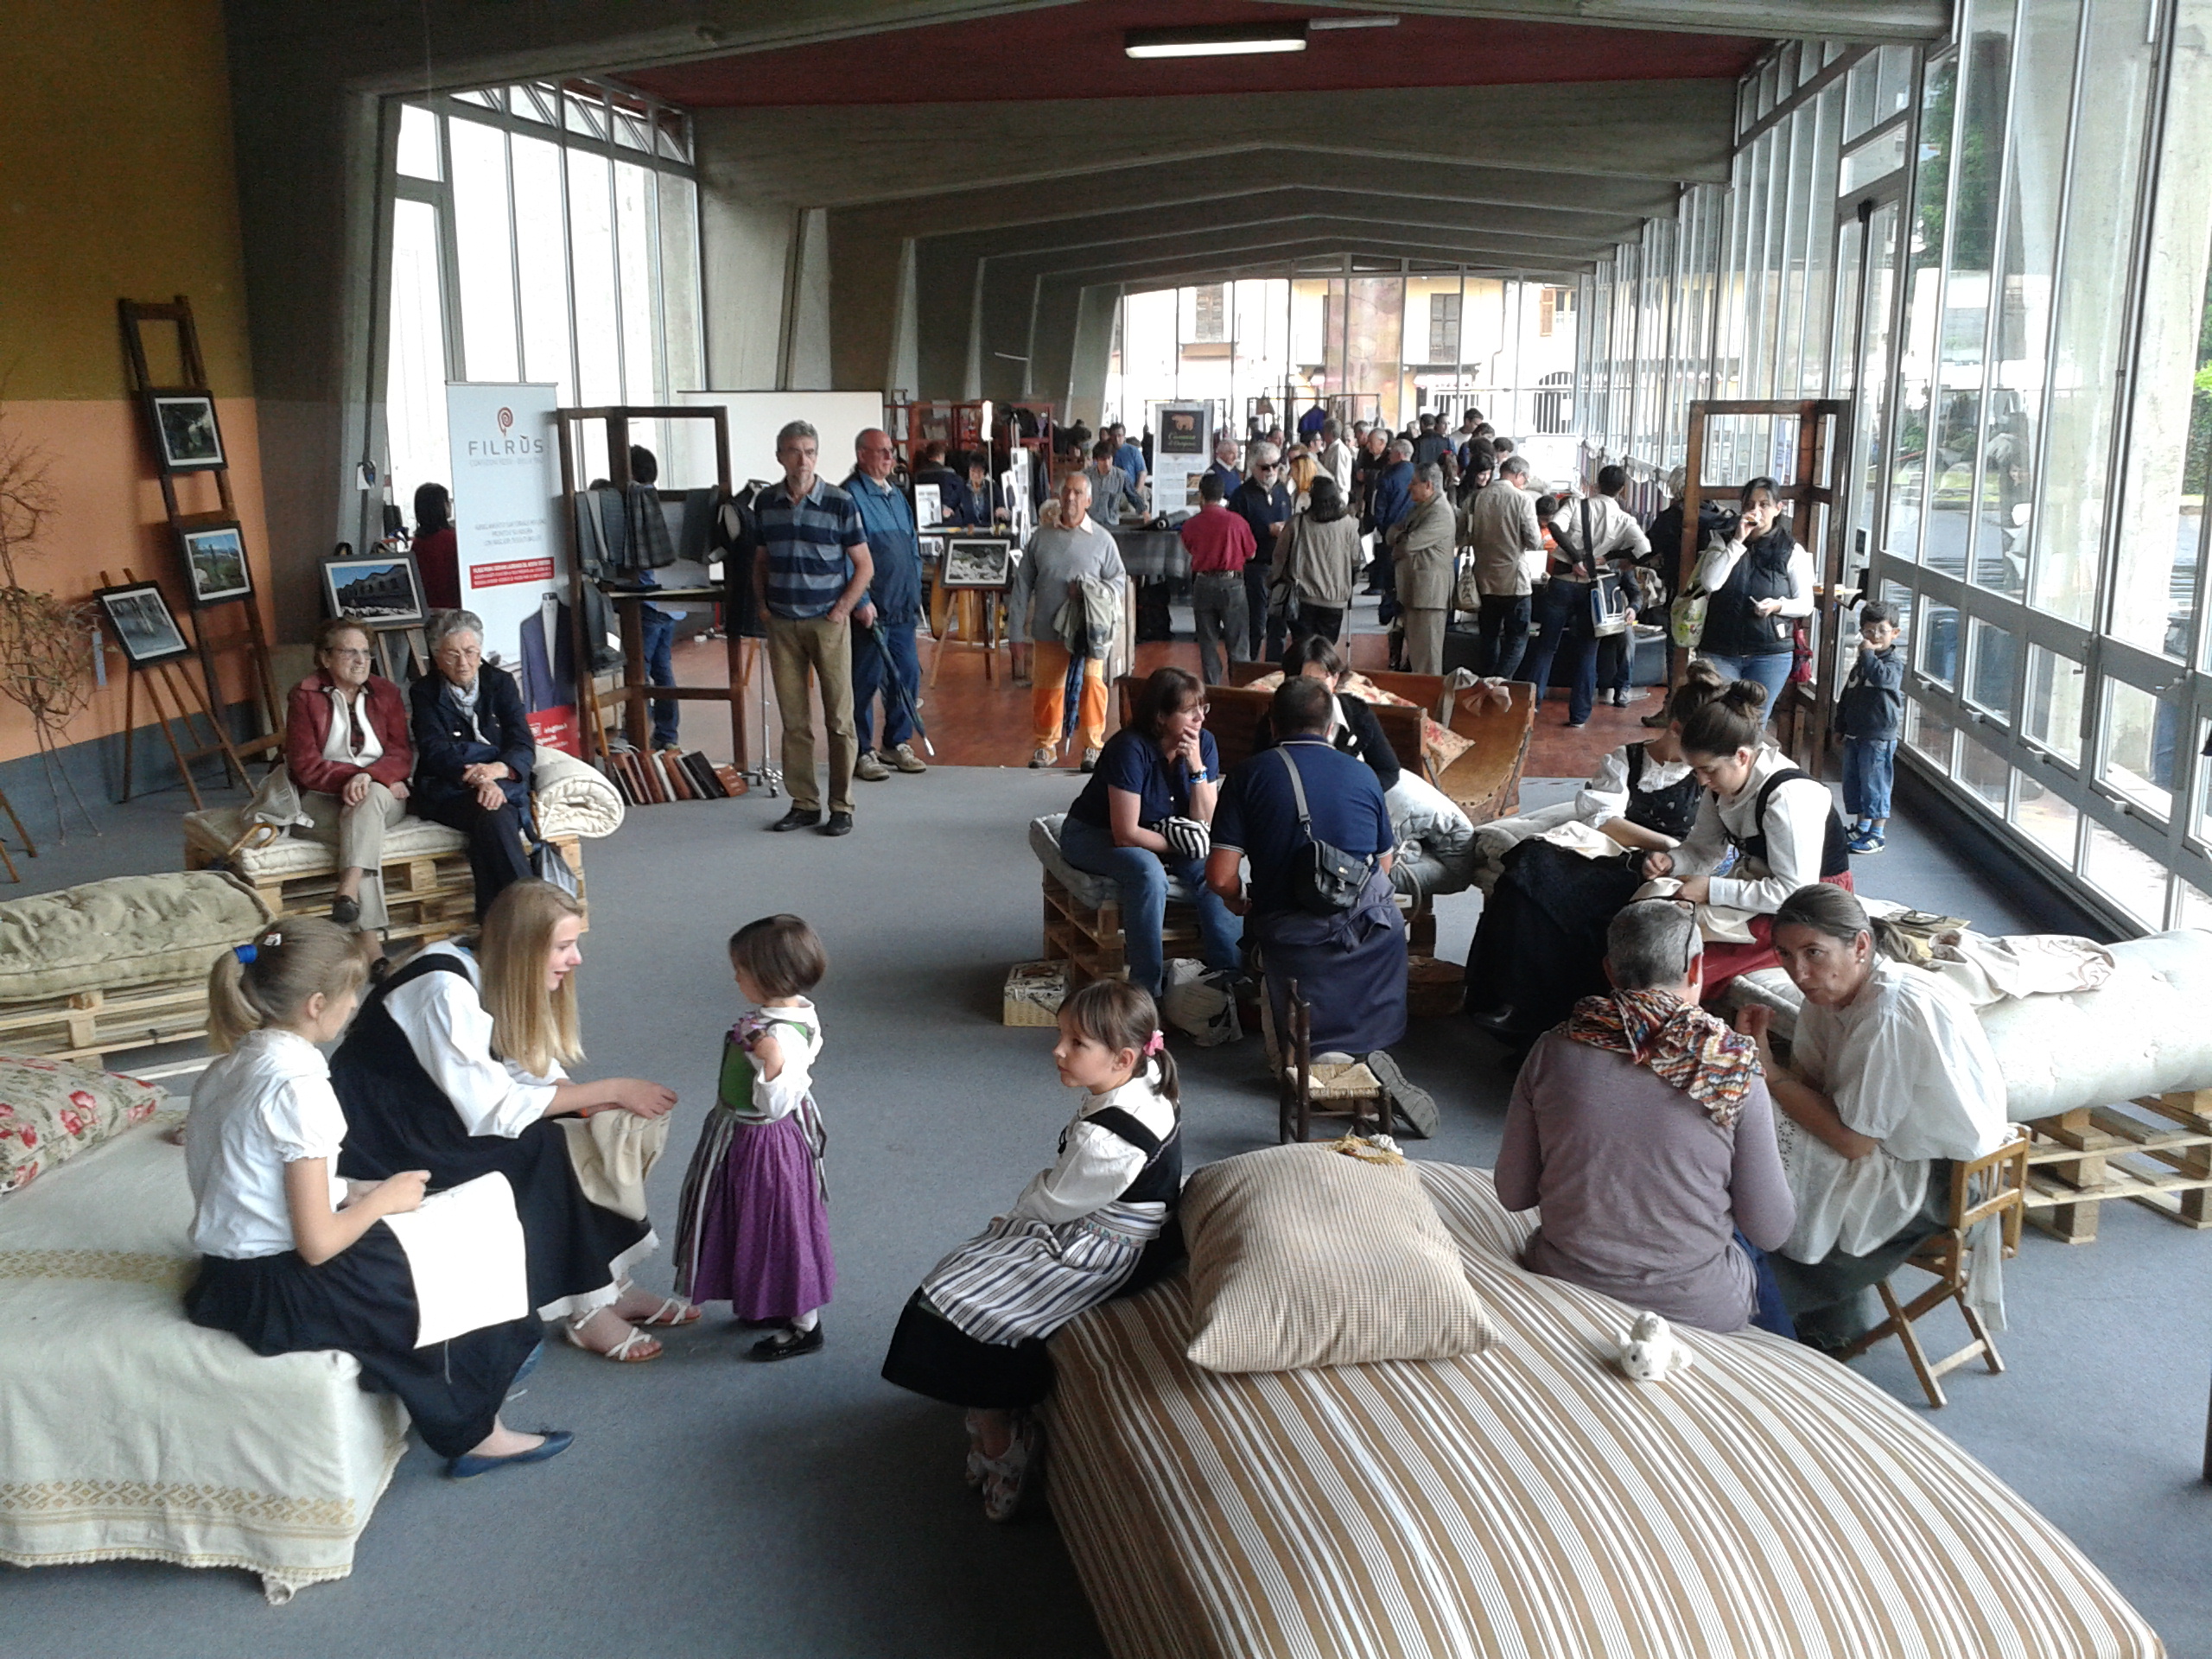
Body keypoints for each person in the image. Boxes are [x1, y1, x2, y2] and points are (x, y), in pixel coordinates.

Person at [183, 919, 561, 1478]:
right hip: (279, 1289)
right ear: (316, 1005)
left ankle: (456, 1377)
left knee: (443, 1235)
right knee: (451, 1265)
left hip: (226, 1278)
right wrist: (382, 1199)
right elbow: (317, 1245)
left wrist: (350, 1190)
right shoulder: (299, 1087)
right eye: (351, 993)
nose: (355, 1004)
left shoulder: (231, 1065)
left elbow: (248, 1180)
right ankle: (475, 1434)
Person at [330, 880, 693, 1363]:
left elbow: (519, 1058)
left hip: (431, 1104)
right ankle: (584, 1310)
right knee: (540, 1148)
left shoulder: (490, 964)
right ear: (524, 947)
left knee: (576, 1130)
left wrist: (580, 1102)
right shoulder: (443, 988)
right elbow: (491, 1108)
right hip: (381, 1132)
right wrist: (610, 1089)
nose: (576, 958)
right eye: (563, 947)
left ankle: (613, 1285)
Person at [881, 980, 1185, 1521]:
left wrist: (1008, 1226)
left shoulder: (1106, 1141)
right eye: (1061, 1035)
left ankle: (1003, 1438)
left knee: (974, 1306)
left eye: (1076, 1043)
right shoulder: (1146, 1077)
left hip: (1106, 1247)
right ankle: (988, 1409)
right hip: (1094, 1220)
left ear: (1123, 1058)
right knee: (957, 1275)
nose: (1058, 1050)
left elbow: (1051, 1202)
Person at [1494, 901, 1796, 1335]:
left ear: (1610, 971)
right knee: (1749, 1239)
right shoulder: (1732, 1067)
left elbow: (1513, 1193)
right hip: (1696, 1309)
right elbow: (1772, 1230)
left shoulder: (1552, 1049)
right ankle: (1788, 1357)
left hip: (1563, 1280)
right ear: (1697, 967)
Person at [1735, 885, 2009, 1352]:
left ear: (1860, 946)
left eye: (1813, 953)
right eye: (1786, 954)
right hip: (1885, 1149)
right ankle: (1826, 1321)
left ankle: (1766, 1307)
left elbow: (1853, 1141)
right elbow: (1813, 1089)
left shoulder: (1889, 1011)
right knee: (1753, 1133)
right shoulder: (1829, 994)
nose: (1798, 972)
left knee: (1761, 1176)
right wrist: (1766, 1071)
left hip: (1940, 1177)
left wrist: (1768, 1071)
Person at [1208, 675, 1434, 1135]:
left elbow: (1219, 876)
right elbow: (1384, 866)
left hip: (1294, 941)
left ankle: (1335, 1076)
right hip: (1373, 937)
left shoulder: (1249, 775)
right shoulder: (1363, 774)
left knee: (1290, 1070)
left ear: (1272, 724)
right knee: (1352, 997)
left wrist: (1238, 901)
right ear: (1331, 726)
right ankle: (1361, 1059)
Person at [1466, 664, 1726, 1044]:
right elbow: (1605, 819)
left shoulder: (1708, 773)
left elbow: (1709, 847)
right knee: (1529, 863)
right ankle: (1508, 997)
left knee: (1582, 906)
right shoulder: (1628, 757)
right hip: (1617, 852)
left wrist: (1673, 856)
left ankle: (1548, 1013)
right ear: (1675, 729)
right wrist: (1666, 844)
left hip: (1661, 871)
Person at [671, 914, 836, 1362]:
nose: (735, 978)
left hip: (766, 1144)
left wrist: (771, 1056)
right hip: (743, 1137)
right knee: (749, 1221)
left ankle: (805, 1325)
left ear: (769, 977)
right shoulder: (790, 1010)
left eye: (740, 970)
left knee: (778, 1229)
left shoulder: (782, 1035)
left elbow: (777, 1103)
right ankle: (767, 1302)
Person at [1639, 680, 1852, 995]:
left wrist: (1712, 889)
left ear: (1742, 756)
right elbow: (1703, 850)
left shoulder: (1788, 797)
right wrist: (1672, 861)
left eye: (1709, 770)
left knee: (1682, 970)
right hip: (1761, 885)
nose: (1702, 781)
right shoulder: (1719, 785)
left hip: (1813, 906)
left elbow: (1794, 892)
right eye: (1695, 770)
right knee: (1651, 936)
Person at [1056, 667, 1241, 998]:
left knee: (1214, 868)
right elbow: (1126, 834)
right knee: (1147, 871)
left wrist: (1197, 769)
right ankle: (1146, 992)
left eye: (1203, 707)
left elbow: (1207, 822)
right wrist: (1183, 845)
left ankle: (1230, 976)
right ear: (1161, 716)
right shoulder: (1129, 748)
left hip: (1162, 832)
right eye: (1190, 710)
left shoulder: (1204, 743)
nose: (1200, 717)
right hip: (1093, 833)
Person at [753, 419, 874, 836]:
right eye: (793, 451)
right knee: (794, 722)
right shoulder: (766, 503)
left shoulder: (840, 502)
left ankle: (841, 806)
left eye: (809, 451)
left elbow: (864, 565)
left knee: (839, 719)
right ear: (780, 456)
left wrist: (842, 609)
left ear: (817, 456)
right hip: (782, 624)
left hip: (827, 623)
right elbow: (760, 561)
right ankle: (804, 803)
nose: (802, 460)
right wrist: (762, 607)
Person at [409, 608, 535, 921]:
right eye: (452, 654)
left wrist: (497, 771)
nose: (463, 663)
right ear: (436, 656)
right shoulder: (424, 691)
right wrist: (481, 778)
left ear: (480, 652)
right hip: (450, 789)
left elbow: (522, 742)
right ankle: (532, 913)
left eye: (470, 652)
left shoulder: (501, 683)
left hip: (501, 781)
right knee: (493, 814)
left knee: (491, 818)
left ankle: (495, 922)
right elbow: (435, 750)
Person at [287, 619, 412, 928]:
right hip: (321, 799)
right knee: (364, 831)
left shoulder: (386, 693)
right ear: (325, 657)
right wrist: (353, 778)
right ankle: (370, 943)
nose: (360, 660)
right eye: (349, 652)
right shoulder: (304, 695)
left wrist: (369, 776)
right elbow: (305, 764)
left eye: (366, 652)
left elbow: (401, 753)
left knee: (369, 801)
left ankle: (348, 889)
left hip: (380, 795)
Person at [1010, 470, 1126, 771]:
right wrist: (1015, 634)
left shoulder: (1102, 540)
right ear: (1059, 497)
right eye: (1066, 492)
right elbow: (1022, 586)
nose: (1071, 498)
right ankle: (1045, 746)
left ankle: (1093, 746)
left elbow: (1118, 581)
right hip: (1048, 630)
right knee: (1047, 690)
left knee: (1092, 686)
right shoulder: (1041, 538)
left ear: (1089, 500)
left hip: (1089, 632)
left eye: (1078, 493)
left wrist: (1091, 589)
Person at [1523, 464, 1653, 727]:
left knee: (1546, 647)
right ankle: (1579, 715)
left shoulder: (1576, 505)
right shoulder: (1625, 519)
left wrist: (1576, 558)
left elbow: (1555, 527)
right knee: (1587, 652)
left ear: (1596, 484)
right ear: (1622, 489)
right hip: (1596, 589)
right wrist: (1611, 556)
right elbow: (1645, 551)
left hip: (1562, 582)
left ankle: (1531, 706)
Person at [845, 428, 928, 782]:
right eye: (881, 451)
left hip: (902, 608)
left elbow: (911, 546)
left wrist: (915, 588)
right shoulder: (850, 496)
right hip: (871, 612)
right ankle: (861, 751)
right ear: (862, 454)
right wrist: (861, 600)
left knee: (906, 676)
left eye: (891, 451)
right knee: (864, 683)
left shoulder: (896, 496)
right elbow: (846, 555)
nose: (889, 457)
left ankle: (896, 742)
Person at [1694, 476, 1813, 724]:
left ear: (1778, 508)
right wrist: (1737, 542)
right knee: (1722, 719)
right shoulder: (1723, 540)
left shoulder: (1791, 550)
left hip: (1770, 653)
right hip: (1720, 648)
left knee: (1755, 722)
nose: (1755, 511)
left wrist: (1778, 605)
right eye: (1749, 505)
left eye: (1764, 505)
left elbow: (1805, 604)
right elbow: (1711, 583)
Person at [1252, 636, 1401, 792]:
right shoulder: (1275, 719)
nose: (1312, 691)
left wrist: (1354, 794)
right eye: (1304, 681)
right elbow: (1262, 773)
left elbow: (1388, 771)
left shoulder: (1358, 714)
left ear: (1335, 678)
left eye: (1320, 682)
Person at [1463, 454, 1545, 679]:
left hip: (1483, 580)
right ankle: (1499, 682)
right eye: (1525, 479)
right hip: (1514, 582)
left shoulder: (1476, 497)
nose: (1525, 484)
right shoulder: (1522, 499)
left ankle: (1487, 681)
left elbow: (1463, 536)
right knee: (1517, 637)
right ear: (1519, 475)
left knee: (1488, 637)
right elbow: (1534, 541)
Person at [623, 446, 683, 753]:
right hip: (672, 603)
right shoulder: (665, 504)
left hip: (647, 602)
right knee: (663, 670)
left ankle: (632, 733)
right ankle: (667, 734)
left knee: (639, 670)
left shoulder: (636, 506)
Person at [1837, 600, 1904, 855]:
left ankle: (1877, 833)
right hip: (1856, 732)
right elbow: (1848, 693)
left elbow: (1882, 678)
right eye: (1869, 631)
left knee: (1876, 783)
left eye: (1881, 631)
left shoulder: (1891, 663)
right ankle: (1862, 826)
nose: (1875, 636)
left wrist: (1867, 655)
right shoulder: (1863, 662)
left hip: (1878, 734)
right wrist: (1840, 725)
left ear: (1894, 633)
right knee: (1856, 782)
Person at [1179, 472, 1255, 684]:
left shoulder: (1191, 524)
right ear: (1222, 495)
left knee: (1207, 643)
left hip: (1203, 583)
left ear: (1201, 495)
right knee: (1238, 643)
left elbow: (1190, 548)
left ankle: (1212, 689)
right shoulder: (1238, 522)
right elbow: (1251, 553)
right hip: (1233, 584)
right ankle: (1240, 688)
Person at [1269, 474, 1359, 645]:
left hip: (1303, 598)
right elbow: (1355, 560)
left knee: (1303, 648)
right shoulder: (1348, 524)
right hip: (1335, 599)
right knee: (1325, 649)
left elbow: (1280, 557)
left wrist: (1273, 581)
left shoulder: (1298, 523)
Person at [1389, 463, 1457, 676]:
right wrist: (1399, 537)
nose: (1409, 487)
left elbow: (1408, 544)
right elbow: (1392, 532)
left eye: (1414, 483)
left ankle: (1431, 697)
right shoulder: (1421, 507)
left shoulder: (1440, 512)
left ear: (1428, 485)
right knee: (1418, 658)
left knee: (1427, 662)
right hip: (1416, 592)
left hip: (1430, 596)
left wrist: (1399, 538)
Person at [1229, 445, 1292, 661]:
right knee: (1256, 623)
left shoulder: (1282, 490)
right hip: (1255, 566)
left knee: (1279, 623)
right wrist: (1266, 530)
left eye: (1275, 465)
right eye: (1265, 467)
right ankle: (1251, 666)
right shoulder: (1241, 496)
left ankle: (1274, 666)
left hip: (1281, 565)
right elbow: (1236, 532)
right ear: (1252, 467)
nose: (1271, 471)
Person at [1364, 438, 1414, 624]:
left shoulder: (1388, 477)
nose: (1388, 456)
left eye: (1391, 452)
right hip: (1413, 532)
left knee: (1390, 576)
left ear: (1399, 454)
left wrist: (1381, 529)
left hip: (1391, 532)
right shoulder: (1419, 474)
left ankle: (1388, 611)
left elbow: (1379, 508)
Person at [412, 482, 461, 613]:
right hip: (454, 610)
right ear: (441, 506)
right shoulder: (452, 539)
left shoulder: (417, 543)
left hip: (429, 610)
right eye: (448, 501)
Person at [912, 441, 976, 528]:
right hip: (950, 521)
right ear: (941, 456)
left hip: (924, 521)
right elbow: (963, 498)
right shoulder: (952, 476)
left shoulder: (918, 477)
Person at [1084, 438, 1144, 525]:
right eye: (1103, 459)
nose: (1107, 463)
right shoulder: (1086, 476)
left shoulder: (1121, 476)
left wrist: (1144, 512)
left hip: (1111, 523)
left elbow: (1133, 496)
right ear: (1096, 460)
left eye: (1109, 458)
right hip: (1091, 523)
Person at [1108, 423, 1147, 500]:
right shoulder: (1107, 451)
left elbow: (1142, 472)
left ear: (1124, 436)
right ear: (1110, 437)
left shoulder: (1133, 451)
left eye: (1119, 435)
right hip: (1111, 493)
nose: (1117, 439)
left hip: (1130, 492)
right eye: (1114, 436)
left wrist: (1136, 493)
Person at [1206, 435, 1243, 501]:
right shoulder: (1212, 473)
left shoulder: (1235, 471)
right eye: (1231, 453)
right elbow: (1212, 500)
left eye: (1236, 453)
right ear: (1220, 454)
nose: (1235, 457)